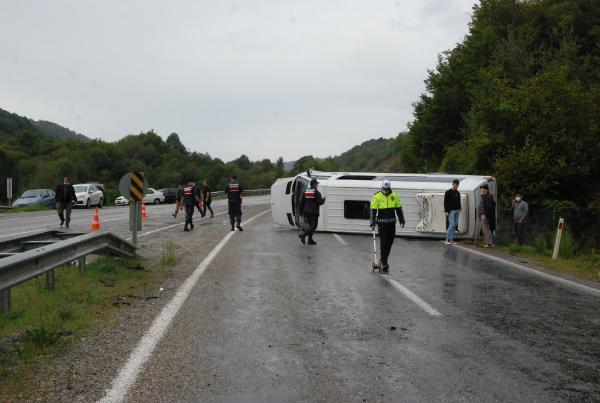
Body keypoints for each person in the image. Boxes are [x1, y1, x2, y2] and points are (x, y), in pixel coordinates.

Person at [370, 180, 405, 272]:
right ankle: (384, 261)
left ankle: (383, 259)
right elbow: (373, 210)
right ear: (382, 187)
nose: (385, 190)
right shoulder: (376, 196)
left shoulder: (394, 195)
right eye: (384, 189)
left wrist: (402, 220)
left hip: (391, 223)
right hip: (382, 223)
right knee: (384, 241)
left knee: (390, 242)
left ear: (389, 188)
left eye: (387, 189)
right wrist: (372, 222)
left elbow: (398, 209)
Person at [298, 178, 325, 245]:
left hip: (306, 211)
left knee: (310, 226)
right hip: (313, 212)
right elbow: (320, 202)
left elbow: (302, 202)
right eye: (317, 184)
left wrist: (300, 211)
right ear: (314, 184)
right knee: (314, 226)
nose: (317, 185)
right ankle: (303, 235)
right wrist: (323, 200)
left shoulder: (306, 191)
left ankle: (310, 240)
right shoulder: (316, 192)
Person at [444, 179, 461, 245]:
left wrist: (460, 208)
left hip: (457, 210)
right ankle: (447, 239)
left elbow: (459, 201)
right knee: (451, 224)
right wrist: (446, 211)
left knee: (454, 225)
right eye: (455, 184)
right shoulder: (448, 192)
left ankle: (451, 239)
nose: (456, 186)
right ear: (453, 184)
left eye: (457, 185)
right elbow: (445, 202)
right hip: (451, 211)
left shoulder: (457, 192)